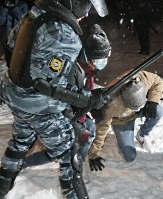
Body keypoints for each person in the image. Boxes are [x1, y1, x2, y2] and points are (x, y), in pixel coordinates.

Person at [0, 0, 118, 199]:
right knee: (69, 155)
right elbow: (49, 86)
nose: (88, 11)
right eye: (87, 4)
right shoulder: (63, 33)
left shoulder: (36, 13)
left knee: (19, 143)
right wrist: (89, 99)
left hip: (16, 93)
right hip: (38, 104)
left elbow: (10, 45)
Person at [23, 24, 111, 168]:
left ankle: (76, 162)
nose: (101, 64)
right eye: (98, 60)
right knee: (59, 150)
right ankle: (23, 163)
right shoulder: (69, 69)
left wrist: (93, 106)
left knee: (89, 132)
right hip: (53, 112)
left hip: (74, 112)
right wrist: (77, 127)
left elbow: (81, 95)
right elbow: (62, 102)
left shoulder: (87, 70)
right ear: (87, 57)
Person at [87, 70, 163, 169]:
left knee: (158, 111)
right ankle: (120, 132)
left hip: (137, 109)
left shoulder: (141, 79)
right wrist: (93, 154)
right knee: (130, 156)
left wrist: (152, 101)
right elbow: (101, 131)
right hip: (122, 121)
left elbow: (158, 81)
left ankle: (142, 134)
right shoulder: (110, 105)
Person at [0, 0, 28, 67]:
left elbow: (25, 20)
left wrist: (15, 8)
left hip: (19, 39)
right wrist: (5, 8)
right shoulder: (2, 6)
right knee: (10, 64)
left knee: (19, 64)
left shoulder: (22, 5)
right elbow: (0, 22)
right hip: (6, 39)